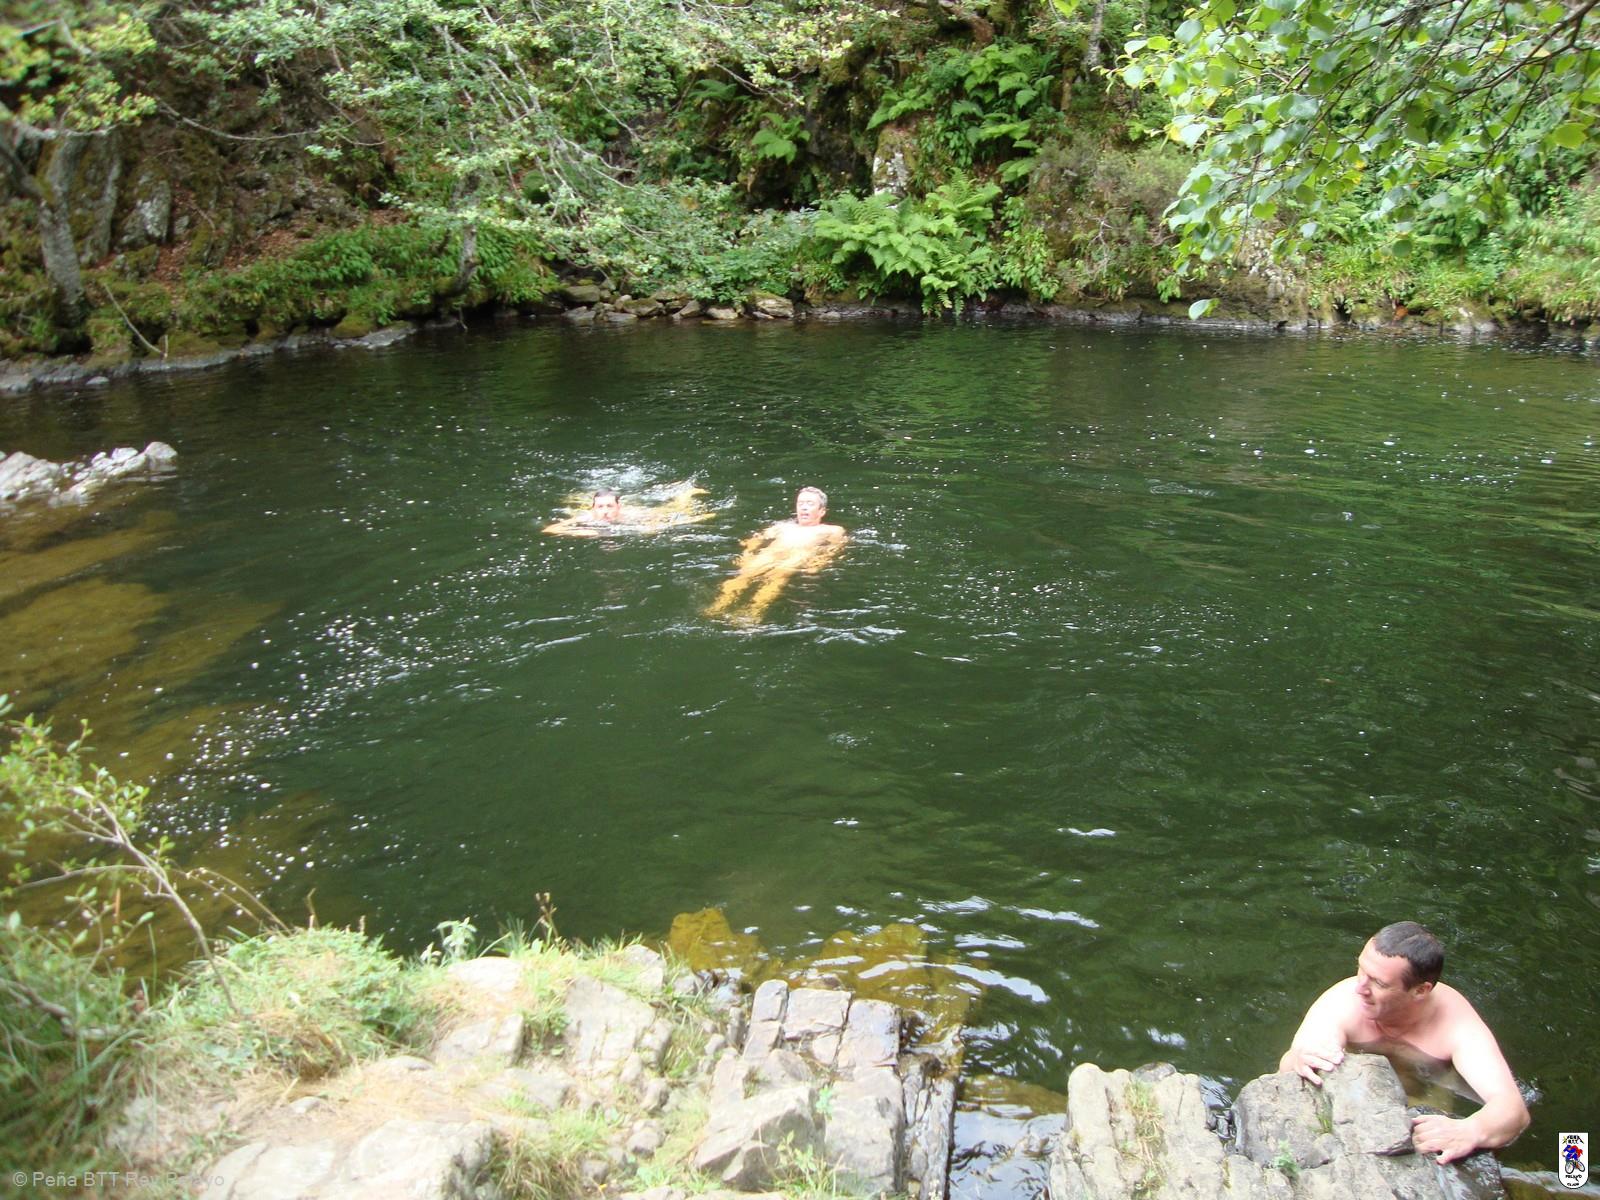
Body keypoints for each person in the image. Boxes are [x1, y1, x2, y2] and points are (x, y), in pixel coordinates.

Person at [1279, 921, 1529, 1164]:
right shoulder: (1343, 1002)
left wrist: (1471, 1130)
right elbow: (1289, 1068)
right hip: (1359, 1097)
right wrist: (1301, 1058)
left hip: (1426, 1095)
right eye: (1360, 970)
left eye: (1378, 982)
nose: (1360, 988)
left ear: (1420, 991)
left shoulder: (1456, 1025)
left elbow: (1513, 1111)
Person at [705, 486, 846, 622]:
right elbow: (757, 539)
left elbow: (834, 548)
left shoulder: (832, 530)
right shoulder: (783, 526)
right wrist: (747, 553)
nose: (804, 507)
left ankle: (752, 613)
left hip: (797, 556)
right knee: (743, 576)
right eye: (800, 503)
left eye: (810, 504)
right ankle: (717, 607)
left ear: (822, 511)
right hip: (771, 554)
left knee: (775, 581)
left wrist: (817, 564)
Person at [543, 483, 711, 538]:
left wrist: (651, 527)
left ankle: (687, 492)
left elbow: (660, 520)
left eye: (609, 506)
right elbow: (550, 529)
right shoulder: (587, 517)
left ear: (618, 507)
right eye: (600, 507)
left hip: (641, 513)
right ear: (593, 509)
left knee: (674, 508)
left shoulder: (630, 515)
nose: (605, 511)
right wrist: (585, 532)